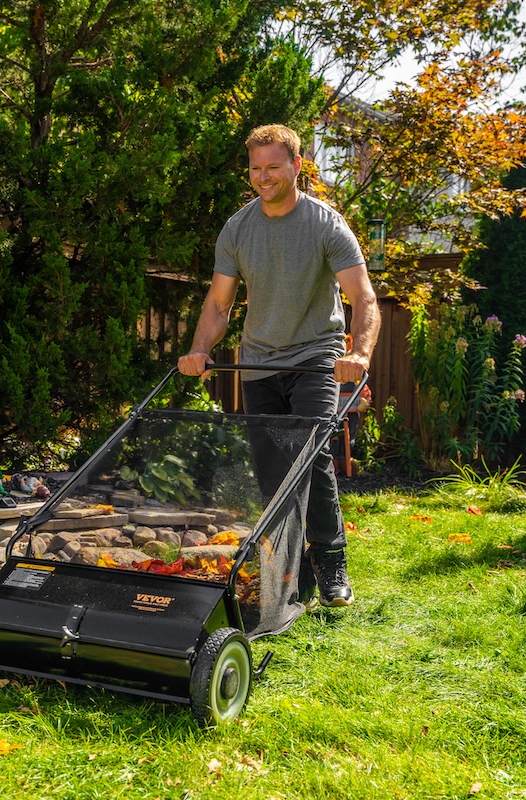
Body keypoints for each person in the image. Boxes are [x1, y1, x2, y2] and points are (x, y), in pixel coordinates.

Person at [177, 123, 380, 608]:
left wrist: (358, 354)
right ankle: (289, 576)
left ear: (296, 165)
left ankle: (331, 566)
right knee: (272, 471)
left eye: (273, 166)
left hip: (316, 358)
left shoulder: (325, 224)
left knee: (309, 458)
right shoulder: (239, 228)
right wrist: (200, 349)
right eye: (255, 168)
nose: (263, 176)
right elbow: (219, 305)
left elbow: (363, 298)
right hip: (258, 363)